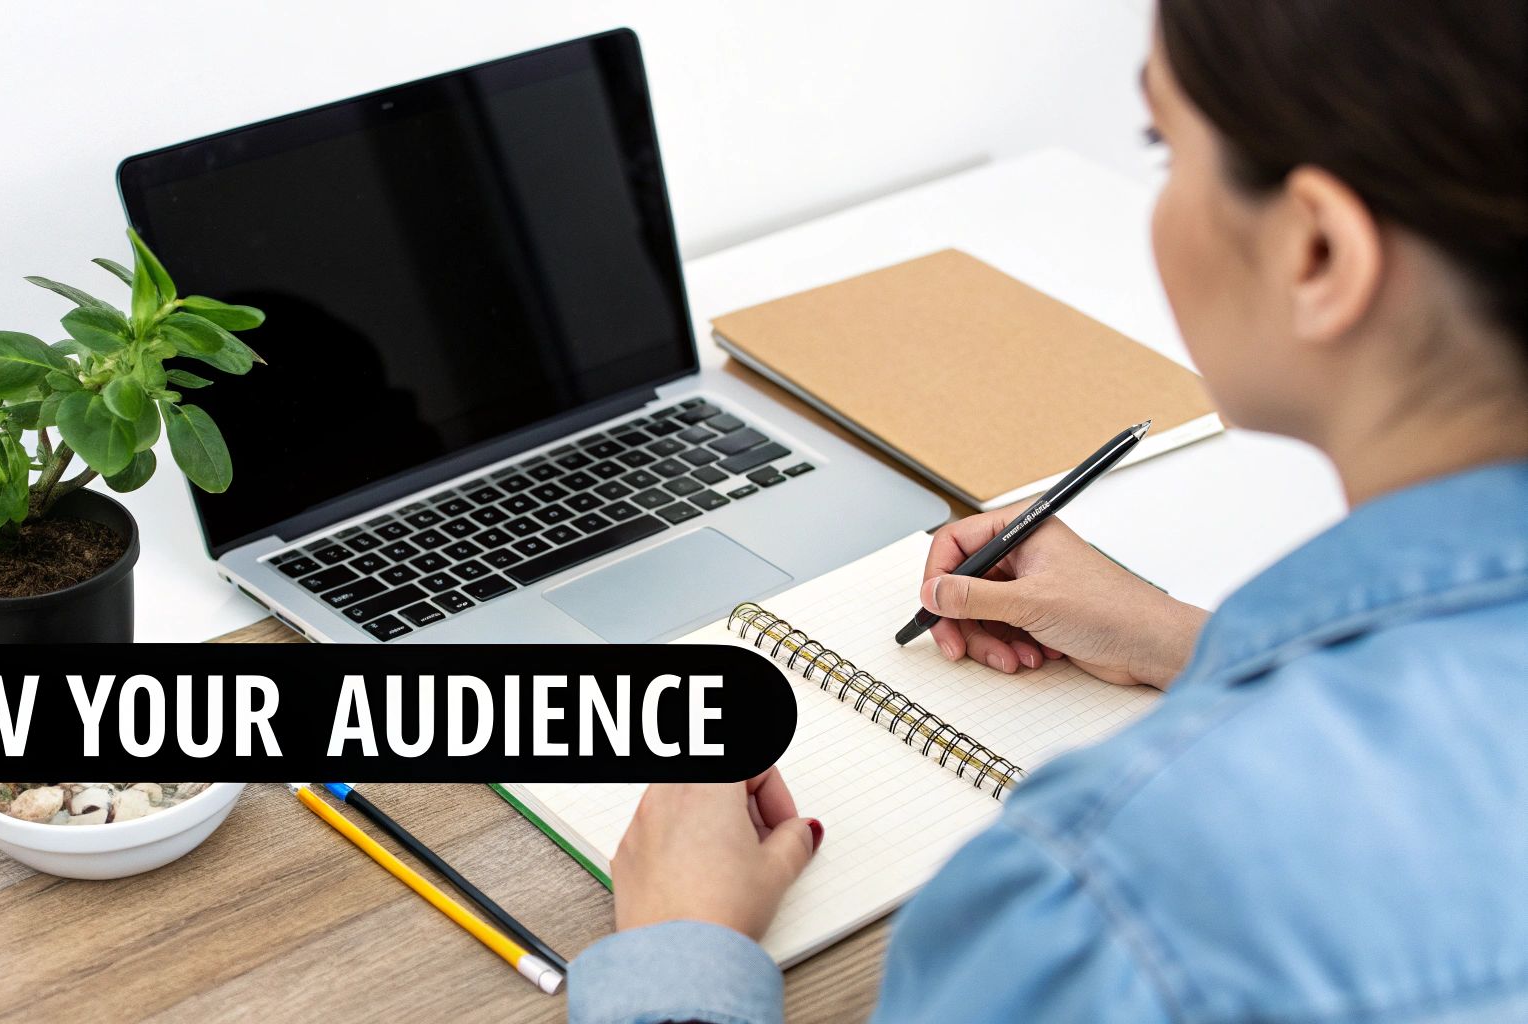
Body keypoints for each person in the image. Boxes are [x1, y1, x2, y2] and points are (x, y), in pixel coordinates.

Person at [568, 0, 1528, 1019]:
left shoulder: (1111, 907)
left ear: (1315, 253)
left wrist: (681, 952)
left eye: (1164, 145)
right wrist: (1177, 638)